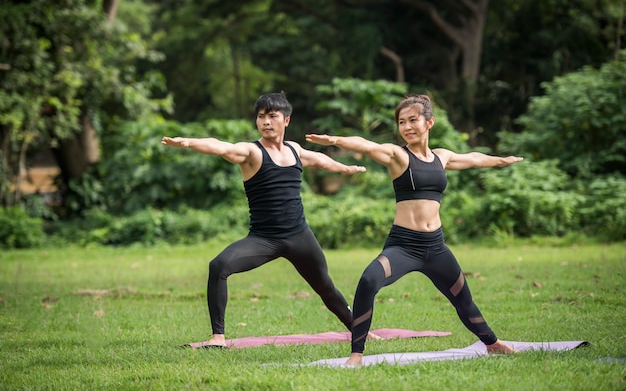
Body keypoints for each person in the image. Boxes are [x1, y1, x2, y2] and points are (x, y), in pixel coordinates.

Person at [306, 94, 523, 366]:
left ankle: (493, 344)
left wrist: (501, 161)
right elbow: (368, 145)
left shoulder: (441, 157)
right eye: (401, 122)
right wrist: (336, 141)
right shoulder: (398, 156)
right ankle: (356, 354)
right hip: (404, 246)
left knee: (462, 298)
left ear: (429, 122)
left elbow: (473, 159)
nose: (407, 127)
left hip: (435, 247)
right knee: (369, 281)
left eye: (413, 120)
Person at [162, 92, 369, 348]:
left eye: (272, 116)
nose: (266, 122)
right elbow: (222, 146)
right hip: (264, 239)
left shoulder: (294, 150)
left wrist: (345, 168)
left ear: (286, 121)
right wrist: (188, 143)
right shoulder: (252, 152)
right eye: (261, 116)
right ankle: (217, 338)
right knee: (219, 266)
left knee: (325, 286)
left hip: (300, 236)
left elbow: (320, 160)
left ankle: (360, 330)